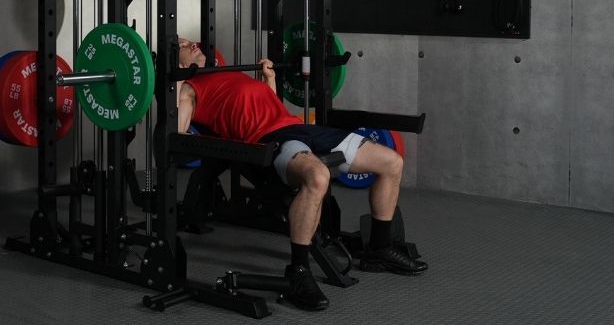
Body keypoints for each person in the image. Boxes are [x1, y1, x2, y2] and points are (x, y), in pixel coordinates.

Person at [175, 37, 426, 311]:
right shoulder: (191, 89)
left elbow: (269, 104)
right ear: (178, 62)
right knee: (318, 177)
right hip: (269, 139)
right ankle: (299, 271)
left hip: (298, 126)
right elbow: (177, 132)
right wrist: (176, 80)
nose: (192, 44)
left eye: (190, 41)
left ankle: (379, 248)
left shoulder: (229, 73)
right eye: (182, 44)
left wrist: (268, 78)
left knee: (392, 162)